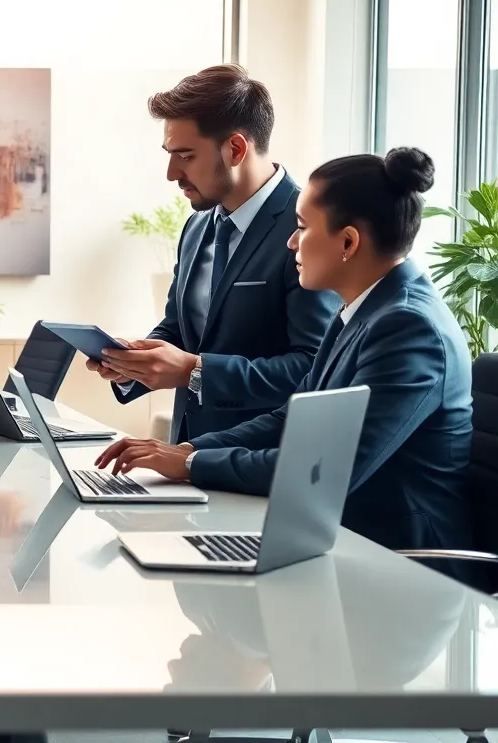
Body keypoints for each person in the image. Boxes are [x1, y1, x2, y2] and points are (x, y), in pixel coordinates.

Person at [96, 147, 475, 554]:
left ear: (348, 242)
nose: (291, 242)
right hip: (331, 536)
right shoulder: (363, 309)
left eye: (302, 227)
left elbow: (324, 471)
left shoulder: (409, 328)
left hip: (400, 563)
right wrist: (188, 450)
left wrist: (189, 466)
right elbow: (292, 414)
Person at [88, 65, 339, 442]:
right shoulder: (197, 227)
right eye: (169, 154)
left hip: (264, 463)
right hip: (187, 456)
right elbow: (178, 330)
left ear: (236, 149)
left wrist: (195, 371)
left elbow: (314, 367)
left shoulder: (308, 229)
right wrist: (134, 362)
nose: (172, 173)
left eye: (185, 156)